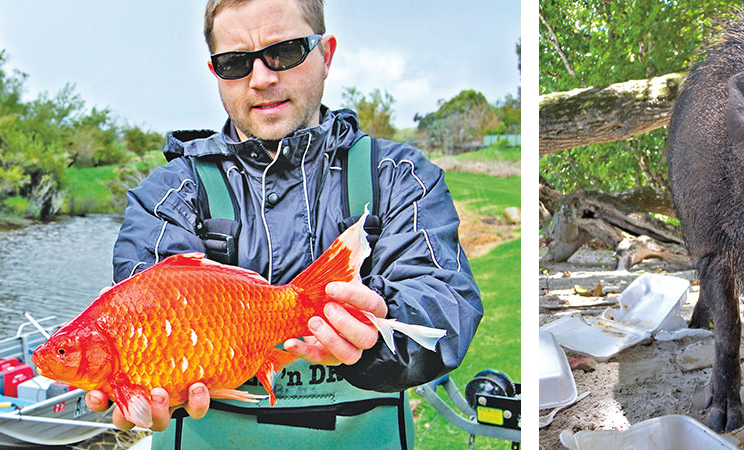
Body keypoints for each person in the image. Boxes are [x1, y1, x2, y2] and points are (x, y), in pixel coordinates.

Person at [84, 0, 482, 447]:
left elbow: (446, 304)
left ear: (326, 55)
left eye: (285, 52)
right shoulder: (167, 194)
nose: (262, 78)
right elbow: (144, 299)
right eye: (235, 62)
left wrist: (379, 323)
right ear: (215, 72)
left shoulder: (399, 175)